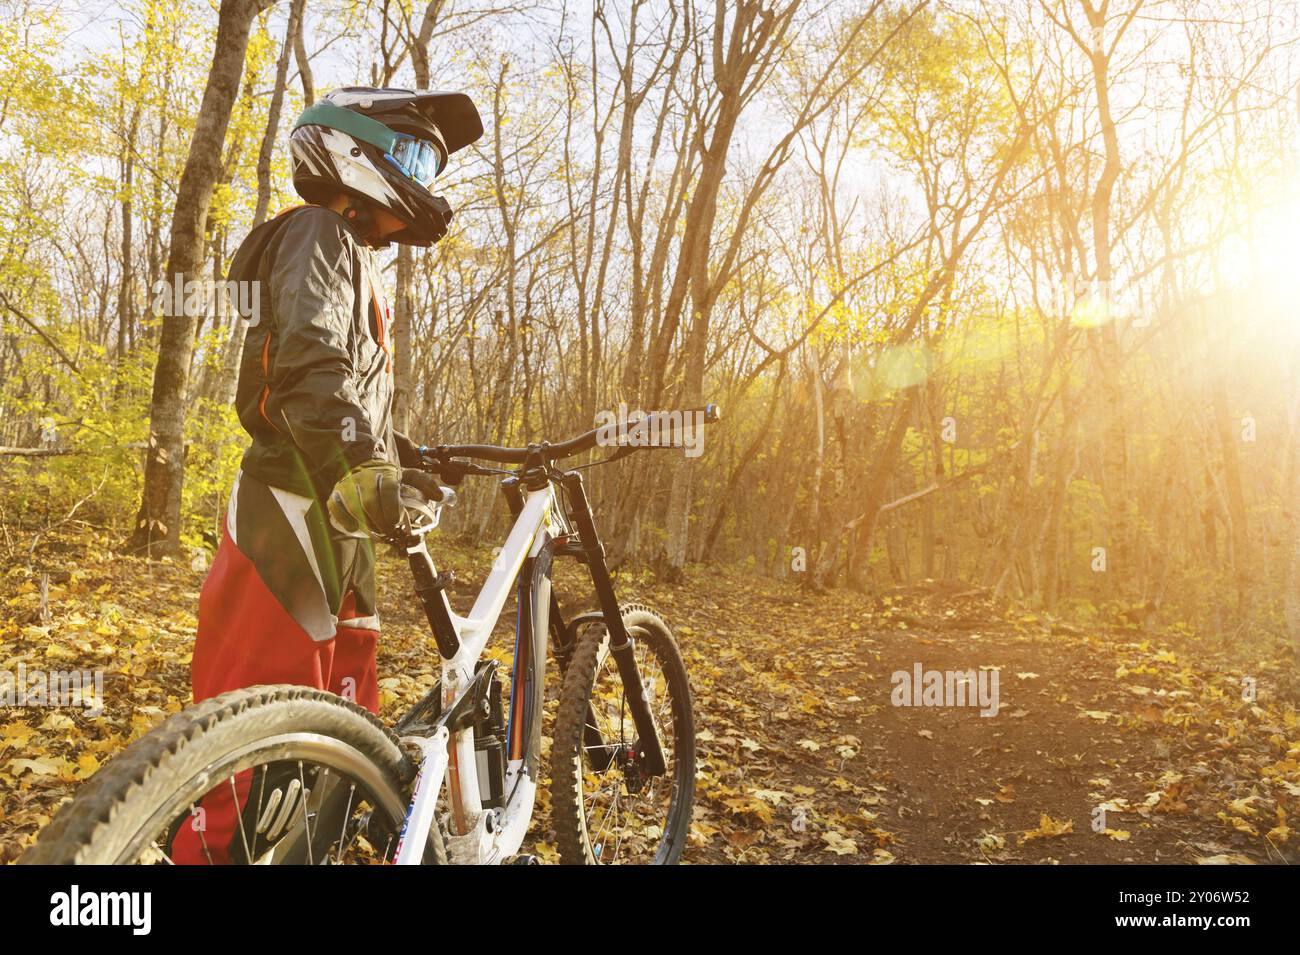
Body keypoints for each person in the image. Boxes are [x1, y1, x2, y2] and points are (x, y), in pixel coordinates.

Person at [170, 86, 482, 864]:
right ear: (349, 147)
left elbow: (338, 387)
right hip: (289, 502)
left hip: (339, 516)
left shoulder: (350, 259)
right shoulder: (315, 231)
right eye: (412, 154)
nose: (422, 175)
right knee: (258, 744)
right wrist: (364, 459)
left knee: (337, 737)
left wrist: (402, 457)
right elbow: (308, 360)